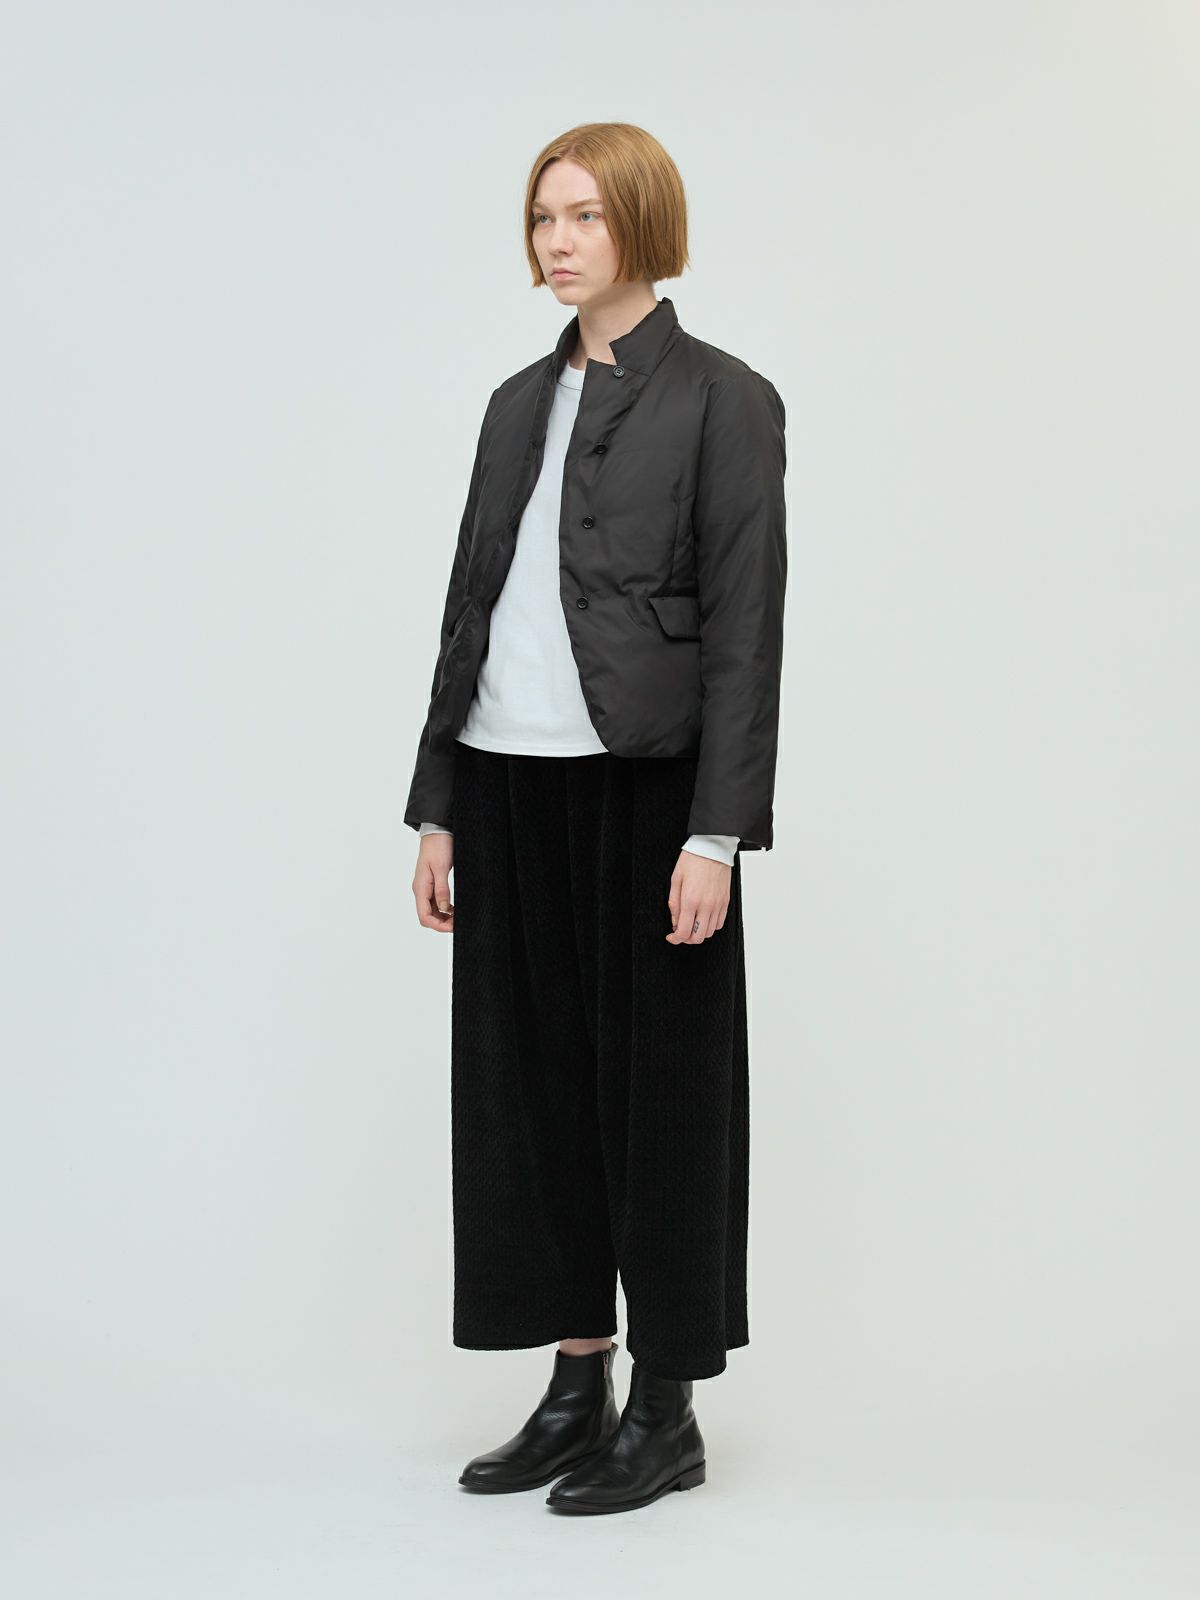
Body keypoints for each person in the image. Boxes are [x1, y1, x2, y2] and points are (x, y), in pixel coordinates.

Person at [405, 122, 787, 1515]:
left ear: (642, 223)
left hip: (648, 787)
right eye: (541, 217)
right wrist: (439, 804)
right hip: (507, 780)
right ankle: (575, 1385)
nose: (556, 242)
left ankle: (665, 1410)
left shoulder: (724, 399)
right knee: (533, 1094)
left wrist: (716, 834)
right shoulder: (516, 402)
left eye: (583, 215)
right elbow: (470, 604)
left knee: (661, 1100)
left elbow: (747, 631)